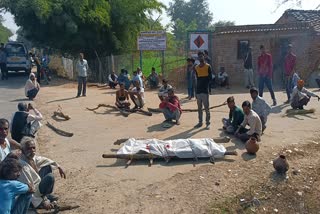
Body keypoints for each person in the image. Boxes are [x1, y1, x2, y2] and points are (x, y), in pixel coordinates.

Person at [18, 137, 66, 210]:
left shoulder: (32, 158)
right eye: (29, 148)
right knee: (50, 177)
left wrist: (58, 166)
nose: (32, 150)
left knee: (48, 167)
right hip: (31, 192)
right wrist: (42, 202)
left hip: (36, 185)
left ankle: (46, 195)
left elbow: (44, 160)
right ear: (23, 150)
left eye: (33, 148)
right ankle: (42, 198)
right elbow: (28, 187)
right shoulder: (22, 165)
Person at [194, 51, 212, 130]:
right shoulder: (196, 68)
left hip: (205, 91)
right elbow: (197, 79)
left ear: (204, 57)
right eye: (199, 56)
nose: (201, 58)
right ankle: (200, 122)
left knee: (207, 108)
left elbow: (210, 79)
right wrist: (195, 92)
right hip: (198, 91)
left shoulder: (208, 66)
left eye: (202, 56)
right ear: (198, 58)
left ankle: (208, 123)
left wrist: (209, 89)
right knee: (199, 108)